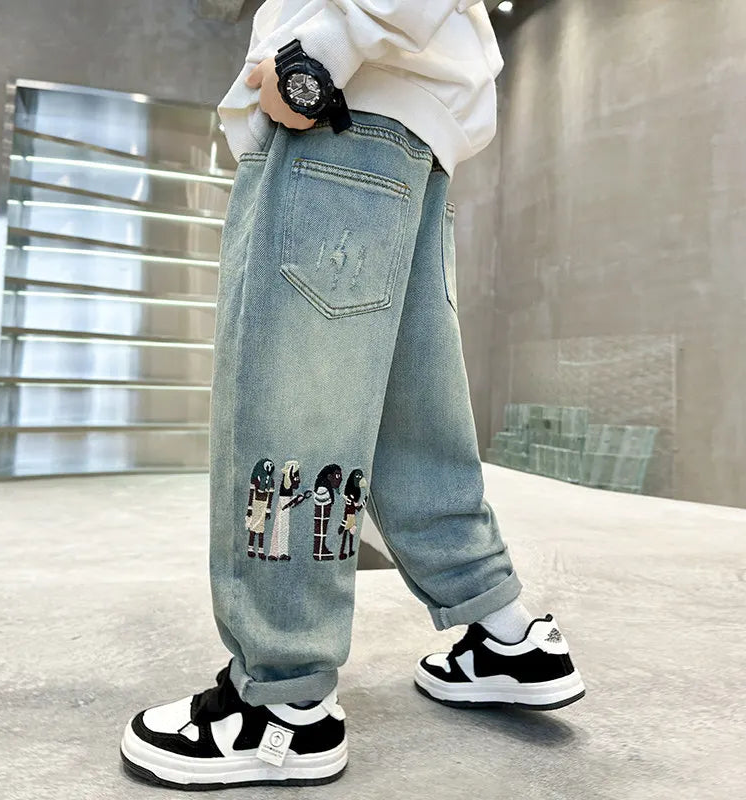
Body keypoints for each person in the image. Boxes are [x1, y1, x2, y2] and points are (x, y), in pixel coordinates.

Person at [119, 0, 585, 790]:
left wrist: (319, 48)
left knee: (289, 413)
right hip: (408, 134)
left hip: (337, 108)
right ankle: (505, 633)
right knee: (412, 410)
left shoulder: (330, 62)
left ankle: (283, 704)